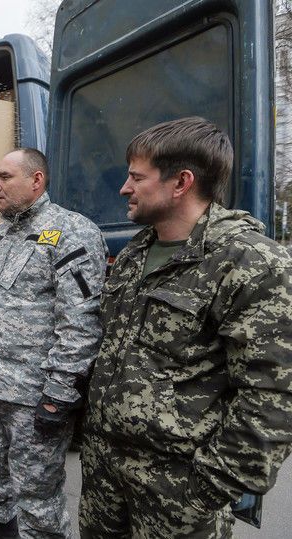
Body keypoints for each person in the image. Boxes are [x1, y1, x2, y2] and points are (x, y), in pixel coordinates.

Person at [79, 117, 292, 538]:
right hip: (103, 474)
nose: (124, 188)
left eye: (137, 177)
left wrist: (206, 491)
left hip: (177, 493)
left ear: (181, 183)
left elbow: (272, 397)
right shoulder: (134, 253)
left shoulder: (251, 263)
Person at [0, 148, 108, 539]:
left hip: (32, 394)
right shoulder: (1, 232)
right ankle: (1, 530)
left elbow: (81, 322)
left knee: (37, 493)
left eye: (4, 177)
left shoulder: (71, 231)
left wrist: (60, 393)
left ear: (36, 180)